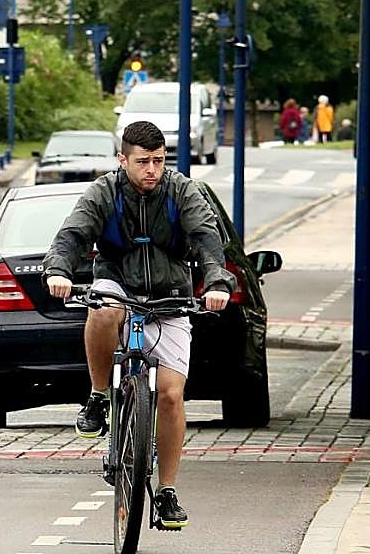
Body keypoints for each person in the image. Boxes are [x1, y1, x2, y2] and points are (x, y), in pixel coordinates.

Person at [42, 121, 233, 532]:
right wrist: (58, 269)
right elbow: (71, 235)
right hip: (118, 283)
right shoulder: (104, 192)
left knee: (170, 395)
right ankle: (97, 396)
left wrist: (216, 281)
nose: (152, 170)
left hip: (171, 296)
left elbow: (206, 238)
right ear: (122, 160)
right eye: (143, 162)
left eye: (159, 161)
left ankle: (166, 492)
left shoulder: (183, 191)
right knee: (105, 308)